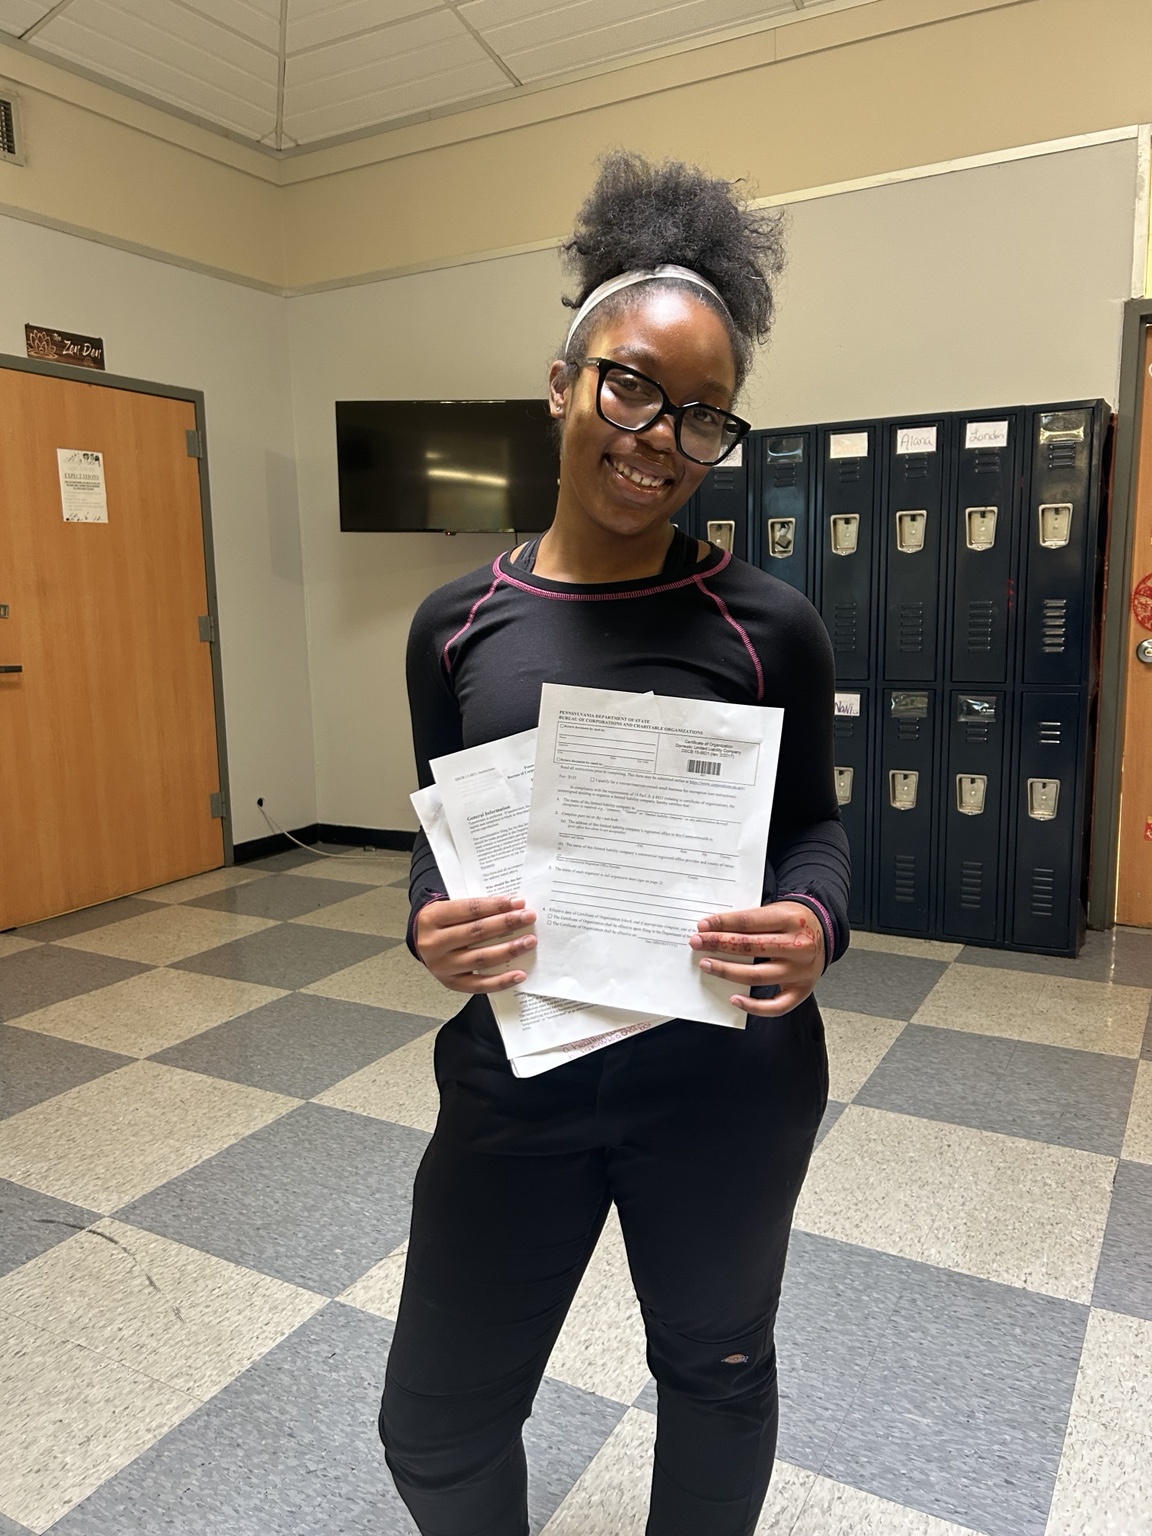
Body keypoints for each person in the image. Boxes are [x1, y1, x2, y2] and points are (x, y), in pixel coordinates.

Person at [380, 151, 850, 1536]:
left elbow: (814, 827)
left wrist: (814, 923)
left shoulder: (769, 627)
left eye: (702, 416)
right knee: (436, 1425)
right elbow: (437, 830)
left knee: (714, 1373)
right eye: (632, 385)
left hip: (725, 1081)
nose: (657, 435)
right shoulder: (455, 626)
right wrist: (429, 920)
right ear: (565, 380)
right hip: (520, 1077)